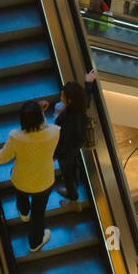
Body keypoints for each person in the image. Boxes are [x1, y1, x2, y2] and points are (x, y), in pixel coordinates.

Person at [0, 100, 59, 252]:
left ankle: (23, 213)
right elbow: (43, 130)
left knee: (21, 195)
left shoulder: (16, 137)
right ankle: (35, 243)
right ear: (40, 118)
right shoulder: (55, 132)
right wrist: (40, 113)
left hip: (21, 179)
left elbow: (1, 158)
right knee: (38, 214)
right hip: (44, 181)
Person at [53, 71, 96, 210]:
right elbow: (87, 99)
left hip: (66, 152)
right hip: (75, 148)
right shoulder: (80, 107)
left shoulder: (67, 118)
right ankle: (73, 190)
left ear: (69, 100)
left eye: (63, 95)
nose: (61, 96)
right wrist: (88, 83)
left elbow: (62, 140)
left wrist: (55, 155)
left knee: (68, 176)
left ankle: (74, 201)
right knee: (74, 170)